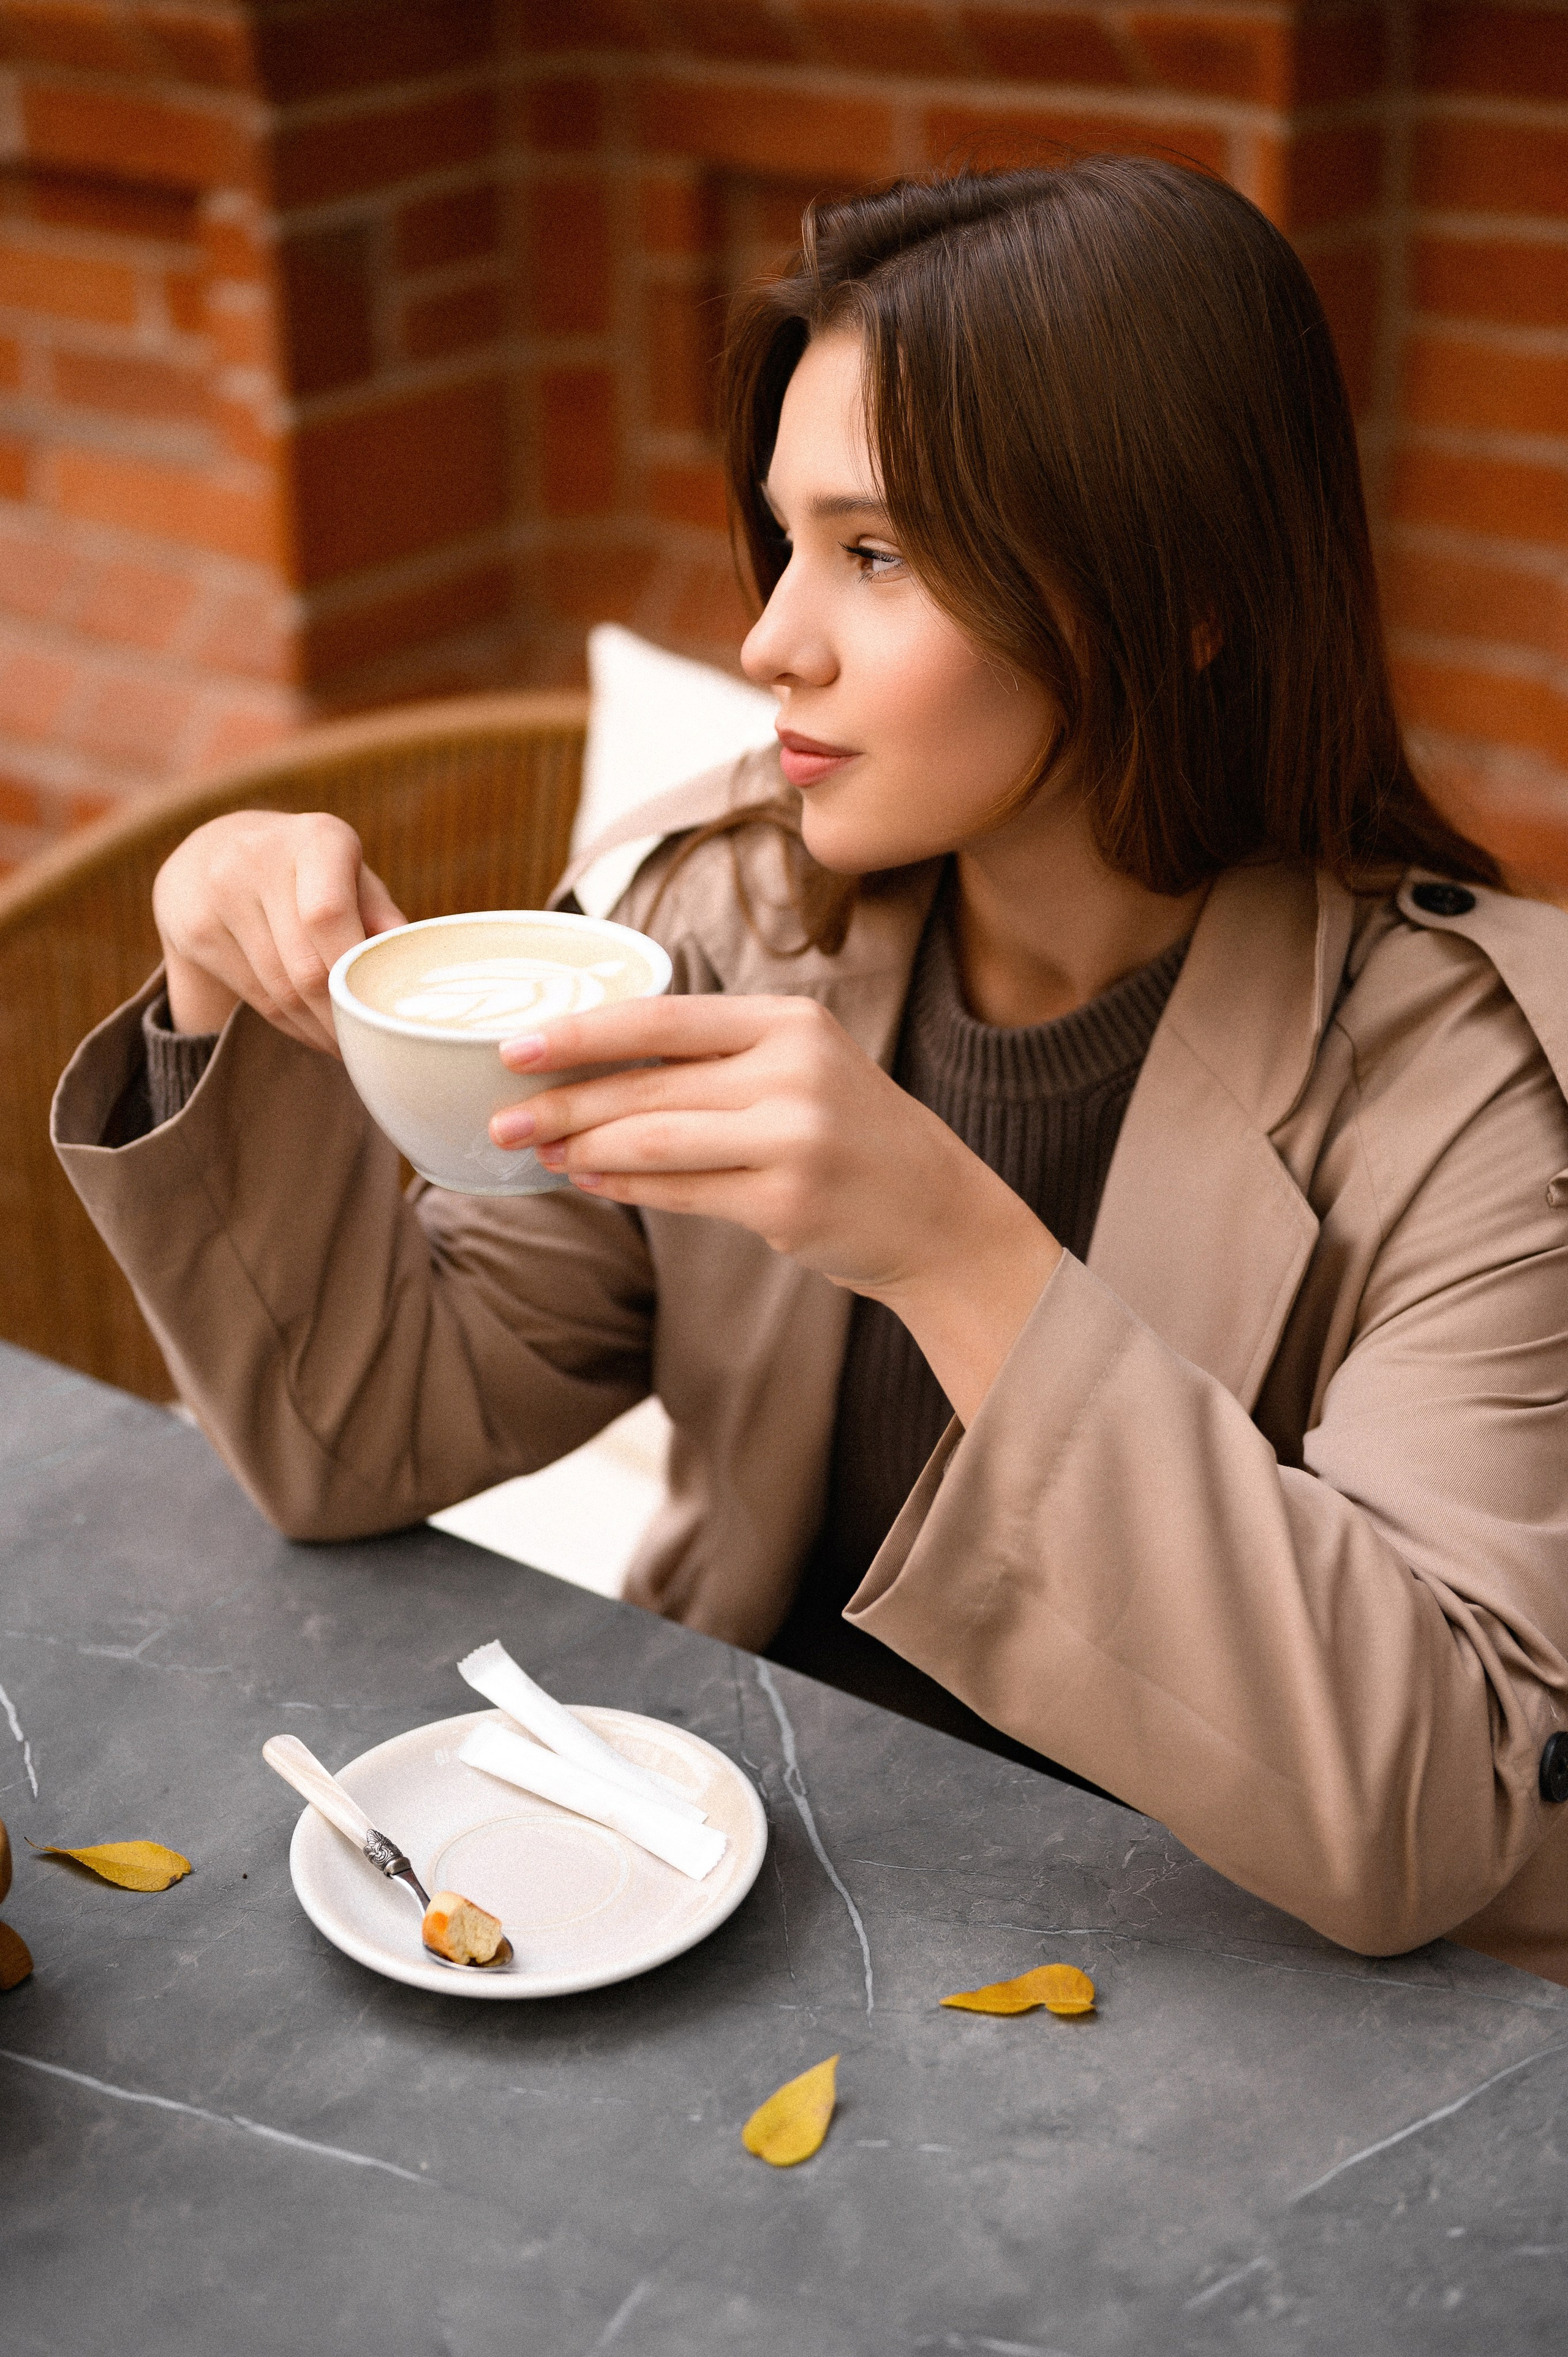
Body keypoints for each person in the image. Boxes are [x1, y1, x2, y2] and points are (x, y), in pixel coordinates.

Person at [53, 159, 1568, 1985]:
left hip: (1204, 1982)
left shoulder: (1477, 1089)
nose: (770, 637)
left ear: (1179, 593)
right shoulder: (719, 919)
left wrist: (958, 1253)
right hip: (706, 1885)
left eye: (879, 551)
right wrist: (221, 999)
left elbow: (1442, 1812)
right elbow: (366, 1441)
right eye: (783, 540)